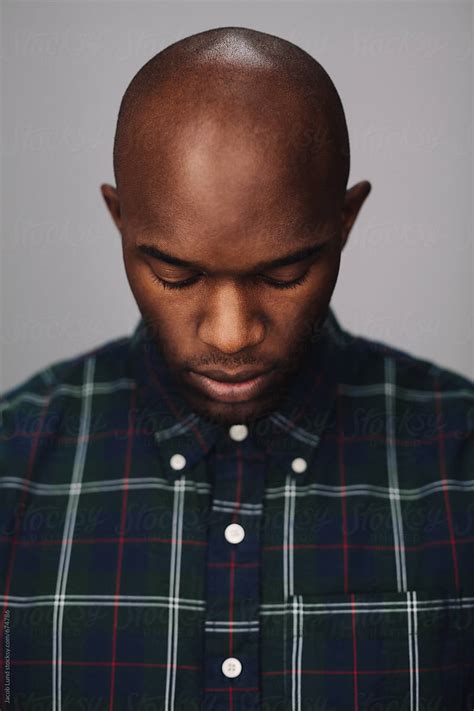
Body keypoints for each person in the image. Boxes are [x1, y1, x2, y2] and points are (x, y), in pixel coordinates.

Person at [0, 25, 472, 711]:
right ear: (120, 220)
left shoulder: (458, 461)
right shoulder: (11, 466)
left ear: (345, 221)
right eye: (174, 271)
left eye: (286, 272)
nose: (231, 334)